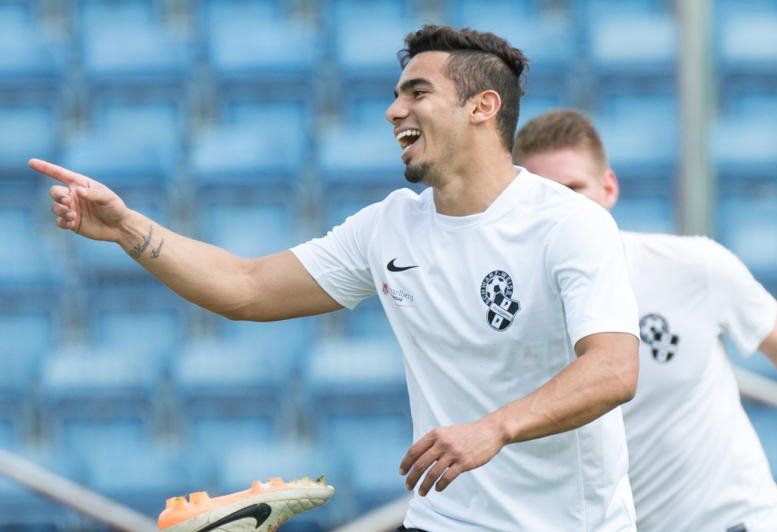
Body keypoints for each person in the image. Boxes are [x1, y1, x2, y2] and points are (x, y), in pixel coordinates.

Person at [31, 26, 641, 531]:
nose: (394, 110)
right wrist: (128, 229)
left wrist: (495, 428)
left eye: (418, 92)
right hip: (443, 520)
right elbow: (247, 287)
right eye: (396, 96)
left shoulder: (569, 222)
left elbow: (614, 369)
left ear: (482, 107)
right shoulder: (388, 227)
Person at [514, 108, 777, 532]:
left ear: (609, 188)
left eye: (574, 190)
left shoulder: (692, 266)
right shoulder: (508, 312)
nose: (563, 211)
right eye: (545, 197)